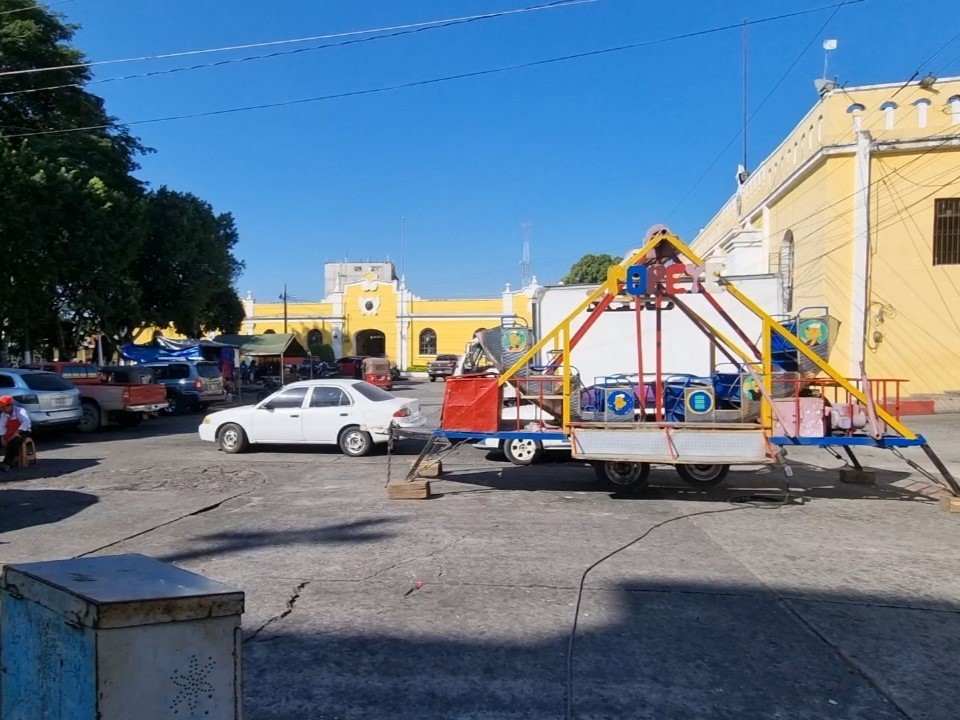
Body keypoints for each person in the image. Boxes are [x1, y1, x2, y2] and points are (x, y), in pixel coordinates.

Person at [0, 396, 32, 472]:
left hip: (23, 431)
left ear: (10, 405)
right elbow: (1, 426)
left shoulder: (20, 411)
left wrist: (17, 431)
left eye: (4, 408)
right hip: (9, 432)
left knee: (14, 442)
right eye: (1, 408)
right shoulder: (4, 415)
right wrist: (2, 438)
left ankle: (6, 463)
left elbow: (26, 422)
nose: (3, 410)